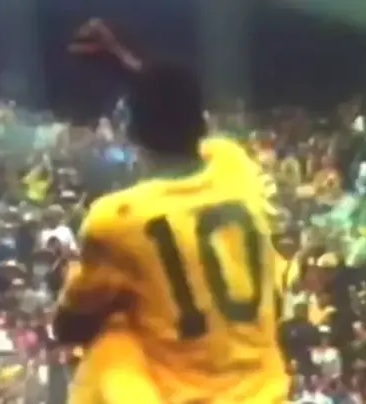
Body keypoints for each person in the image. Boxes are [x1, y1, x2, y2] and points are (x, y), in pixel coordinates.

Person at [54, 18, 288, 404]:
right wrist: (132, 72)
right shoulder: (236, 169)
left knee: (115, 336)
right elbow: (188, 121)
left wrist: (78, 275)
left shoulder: (118, 218)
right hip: (267, 393)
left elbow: (69, 328)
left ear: (131, 132)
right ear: (201, 123)